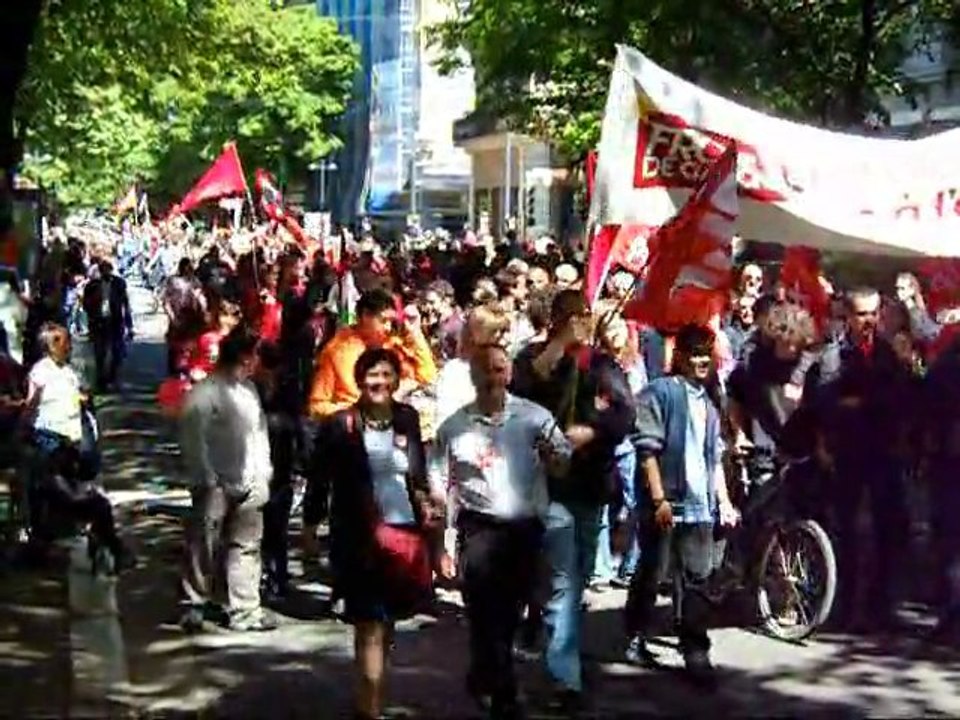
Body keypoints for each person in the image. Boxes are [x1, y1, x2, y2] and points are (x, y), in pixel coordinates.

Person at [432, 344, 571, 719]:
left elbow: (562, 465)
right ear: (473, 376)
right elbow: (440, 489)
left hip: (524, 529)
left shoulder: (535, 418)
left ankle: (483, 672)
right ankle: (505, 690)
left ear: (508, 374)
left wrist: (553, 457)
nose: (493, 378)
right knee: (483, 609)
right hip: (479, 528)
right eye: (485, 371)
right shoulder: (454, 427)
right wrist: (443, 544)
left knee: (511, 611)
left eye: (499, 370)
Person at [511, 290, 634, 708]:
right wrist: (561, 346)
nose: (583, 321)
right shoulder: (532, 359)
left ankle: (560, 647)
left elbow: (624, 413)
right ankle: (567, 678)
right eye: (574, 316)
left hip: (591, 486)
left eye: (586, 315)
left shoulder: (600, 364)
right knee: (564, 582)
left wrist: (593, 429)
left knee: (577, 579)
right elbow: (521, 397)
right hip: (551, 487)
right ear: (558, 319)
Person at [318, 348, 446, 720]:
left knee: (386, 626)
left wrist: (429, 511)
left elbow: (417, 473)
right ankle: (369, 709)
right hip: (361, 540)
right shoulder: (341, 424)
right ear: (360, 381)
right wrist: (312, 527)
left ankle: (368, 696)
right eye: (373, 376)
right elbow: (319, 478)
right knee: (370, 626)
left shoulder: (406, 418)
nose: (381, 383)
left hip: (404, 536)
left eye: (388, 376)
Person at [626, 324, 740, 686]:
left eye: (706, 352)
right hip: (667, 500)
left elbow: (714, 458)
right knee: (653, 570)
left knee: (698, 580)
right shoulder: (661, 392)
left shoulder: (710, 399)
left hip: (699, 504)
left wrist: (722, 501)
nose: (701, 360)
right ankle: (636, 634)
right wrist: (658, 498)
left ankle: (695, 651)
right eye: (694, 353)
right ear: (680, 356)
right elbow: (647, 449)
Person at [303, 289, 437, 557]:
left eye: (391, 321)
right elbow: (317, 405)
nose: (388, 327)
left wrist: (414, 332)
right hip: (349, 439)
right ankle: (313, 534)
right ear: (365, 317)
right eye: (383, 320)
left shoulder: (390, 345)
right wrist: (355, 410)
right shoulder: (337, 351)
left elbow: (426, 372)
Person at [810, 287, 914, 632]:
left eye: (873, 313)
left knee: (890, 528)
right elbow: (823, 405)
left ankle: (880, 606)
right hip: (847, 452)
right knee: (847, 531)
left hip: (883, 452)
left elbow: (901, 400)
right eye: (861, 314)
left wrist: (865, 402)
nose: (868, 321)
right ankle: (843, 606)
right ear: (848, 317)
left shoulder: (888, 354)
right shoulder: (833, 357)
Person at [178, 326, 276, 632]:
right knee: (203, 545)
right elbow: (194, 439)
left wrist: (264, 473)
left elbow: (259, 434)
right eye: (256, 356)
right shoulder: (205, 393)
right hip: (215, 483)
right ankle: (194, 602)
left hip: (249, 481)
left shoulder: (249, 391)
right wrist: (207, 479)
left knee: (246, 547)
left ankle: (245, 610)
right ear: (246, 357)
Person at [82, 260, 133, 391]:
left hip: (115, 320)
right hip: (99, 322)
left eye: (108, 269)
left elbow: (125, 304)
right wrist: (91, 318)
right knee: (100, 352)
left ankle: (112, 377)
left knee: (117, 352)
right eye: (103, 269)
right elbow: (85, 304)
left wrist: (129, 324)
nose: (106, 272)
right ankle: (101, 380)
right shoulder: (92, 285)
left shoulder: (119, 283)